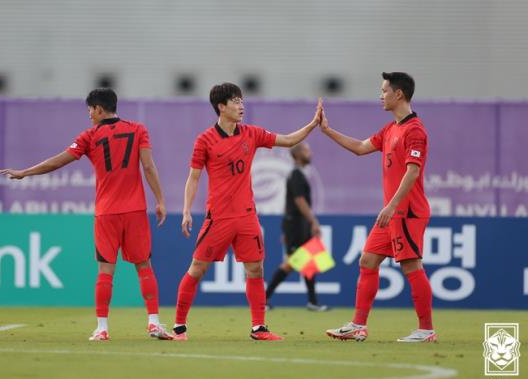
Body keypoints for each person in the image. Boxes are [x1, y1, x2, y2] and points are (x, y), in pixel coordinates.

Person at [0, 88, 173, 341]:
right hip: (135, 209)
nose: (89, 115)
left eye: (90, 110)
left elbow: (58, 161)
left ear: (99, 109)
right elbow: (148, 166)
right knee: (144, 266)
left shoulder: (90, 136)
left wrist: (25, 172)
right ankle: (154, 323)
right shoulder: (138, 129)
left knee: (105, 270)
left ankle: (102, 328)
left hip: (106, 212)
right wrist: (160, 200)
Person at [173, 82, 323, 341]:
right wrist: (187, 210)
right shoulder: (204, 140)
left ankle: (258, 327)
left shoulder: (251, 134)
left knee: (256, 269)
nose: (241, 105)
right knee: (197, 268)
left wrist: (311, 125)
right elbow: (194, 178)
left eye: (242, 100)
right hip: (218, 216)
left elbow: (286, 140)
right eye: (235, 101)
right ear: (221, 107)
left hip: (246, 216)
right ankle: (179, 328)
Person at [321, 72, 436, 343]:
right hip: (392, 213)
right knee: (367, 260)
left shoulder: (415, 129)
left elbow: (412, 172)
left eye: (384, 90)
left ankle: (426, 330)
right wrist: (327, 130)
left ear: (399, 94)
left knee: (411, 265)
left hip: (407, 211)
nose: (380, 95)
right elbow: (361, 147)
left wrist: (392, 205)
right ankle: (358, 326)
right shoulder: (390, 129)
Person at [265, 142, 330, 312]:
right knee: (291, 264)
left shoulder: (300, 174)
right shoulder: (295, 175)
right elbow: (299, 201)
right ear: (298, 154)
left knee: (309, 261)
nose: (310, 153)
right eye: (307, 150)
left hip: (298, 225)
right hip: (295, 225)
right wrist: (313, 221)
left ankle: (313, 302)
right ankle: (262, 300)